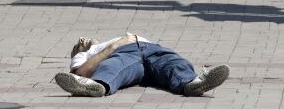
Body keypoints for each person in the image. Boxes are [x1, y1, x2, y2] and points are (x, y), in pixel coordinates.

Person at [54, 33, 230, 97]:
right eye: (76, 45)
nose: (81, 40)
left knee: (176, 63)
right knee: (113, 66)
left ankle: (192, 84)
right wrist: (115, 46)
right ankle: (97, 86)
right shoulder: (85, 55)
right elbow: (80, 72)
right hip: (124, 53)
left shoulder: (103, 42)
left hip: (153, 49)